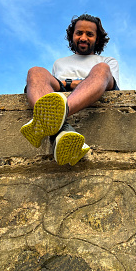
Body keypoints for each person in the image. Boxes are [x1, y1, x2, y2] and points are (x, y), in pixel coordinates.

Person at [21, 14, 119, 166]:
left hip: (91, 88)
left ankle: (56, 116)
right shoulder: (59, 63)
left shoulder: (107, 61)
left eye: (90, 34)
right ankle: (62, 129)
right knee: (36, 71)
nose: (83, 37)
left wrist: (70, 83)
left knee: (102, 69)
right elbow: (49, 88)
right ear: (72, 35)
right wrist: (71, 83)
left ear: (97, 39)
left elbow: (109, 85)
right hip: (60, 92)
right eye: (79, 33)